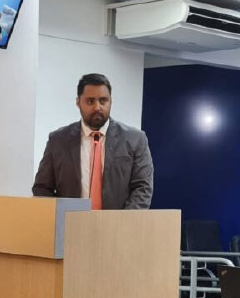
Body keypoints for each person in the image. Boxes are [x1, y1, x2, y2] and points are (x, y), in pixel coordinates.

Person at [32, 73, 154, 209]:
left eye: (103, 101)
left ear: (111, 101)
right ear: (78, 102)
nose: (97, 107)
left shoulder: (135, 139)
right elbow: (42, 187)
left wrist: (123, 219)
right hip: (70, 221)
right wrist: (58, 215)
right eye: (90, 101)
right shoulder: (58, 140)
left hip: (118, 221)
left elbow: (143, 187)